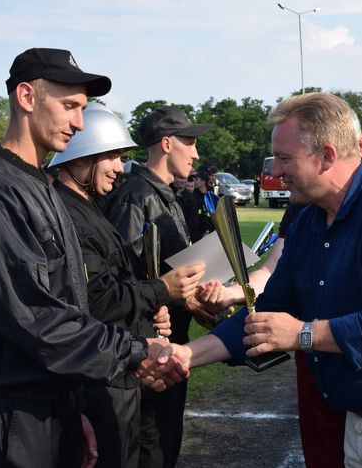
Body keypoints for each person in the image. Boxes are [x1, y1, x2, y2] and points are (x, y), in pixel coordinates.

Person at [145, 92, 362, 466]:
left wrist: (303, 334)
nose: (275, 172)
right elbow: (270, 311)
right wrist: (188, 353)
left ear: (328, 156)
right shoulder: (308, 221)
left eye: (285, 159)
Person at [0, 48, 187, 468]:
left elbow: (70, 302)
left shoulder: (38, 186)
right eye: (69, 106)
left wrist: (77, 410)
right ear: (27, 98)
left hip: (52, 401)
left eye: (83, 109)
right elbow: (37, 320)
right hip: (16, 411)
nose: (78, 122)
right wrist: (137, 350)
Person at [50, 103, 206, 468]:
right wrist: (160, 292)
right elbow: (97, 299)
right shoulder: (71, 213)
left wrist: (153, 313)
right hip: (106, 374)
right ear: (79, 157)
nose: (121, 167)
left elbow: (123, 280)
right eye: (113, 156)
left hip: (126, 362)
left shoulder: (90, 206)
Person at [100, 106, 212, 468]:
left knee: (165, 442)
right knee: (151, 448)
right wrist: (158, 304)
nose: (196, 153)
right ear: (166, 144)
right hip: (149, 350)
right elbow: (121, 278)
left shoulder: (164, 194)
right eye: (190, 142)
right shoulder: (137, 197)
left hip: (169, 343)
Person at [179, 168, 215, 244]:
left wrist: (208, 231)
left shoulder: (210, 196)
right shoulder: (193, 197)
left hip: (211, 233)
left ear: (203, 181)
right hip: (197, 235)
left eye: (197, 179)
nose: (195, 181)